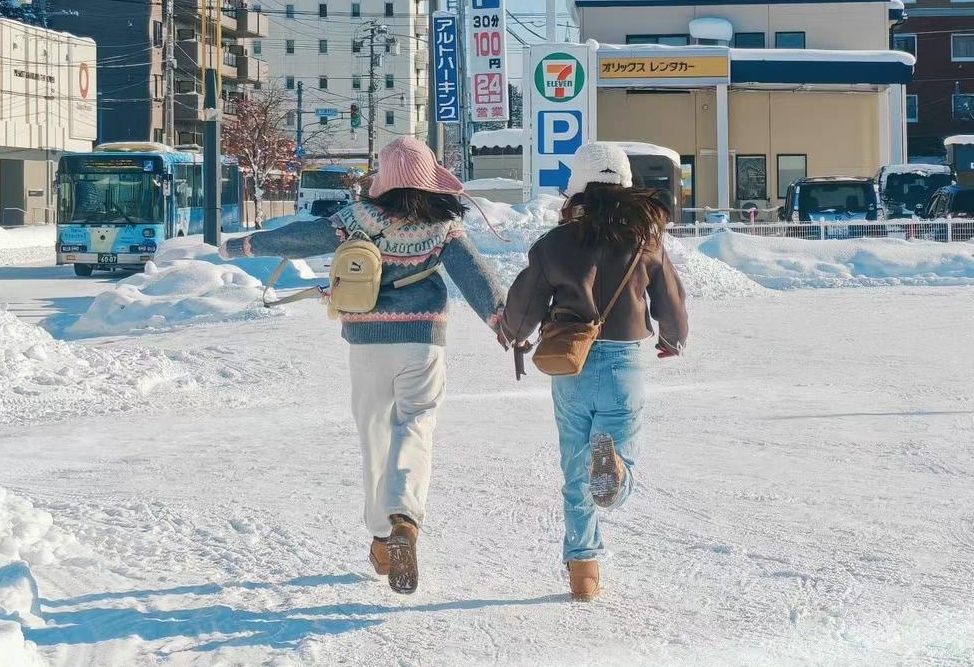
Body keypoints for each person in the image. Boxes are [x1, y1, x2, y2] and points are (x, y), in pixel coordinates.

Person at [234, 136, 505, 595]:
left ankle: (382, 537)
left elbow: (301, 237)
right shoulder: (442, 225)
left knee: (374, 434)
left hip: (365, 341)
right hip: (422, 341)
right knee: (416, 425)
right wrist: (501, 318)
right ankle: (405, 516)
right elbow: (476, 274)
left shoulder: (356, 219)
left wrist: (244, 245)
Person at [498, 142, 689, 602]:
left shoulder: (554, 244)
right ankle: (616, 476)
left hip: (570, 365)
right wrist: (672, 338)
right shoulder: (646, 240)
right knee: (620, 460)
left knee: (574, 467)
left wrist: (515, 334)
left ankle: (583, 566)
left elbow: (523, 308)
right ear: (625, 185)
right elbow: (669, 297)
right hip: (624, 361)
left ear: (577, 186)